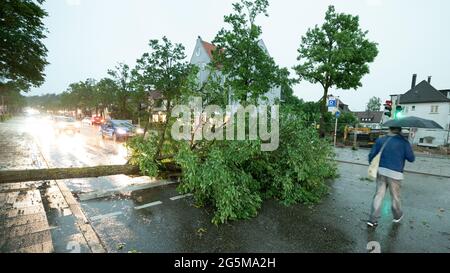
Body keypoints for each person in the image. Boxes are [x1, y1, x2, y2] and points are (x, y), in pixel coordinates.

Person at [367, 127, 415, 228]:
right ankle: (397, 216)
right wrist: (408, 146)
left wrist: (372, 164)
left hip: (381, 171)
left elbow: (372, 155)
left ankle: (372, 220)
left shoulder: (381, 140)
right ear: (400, 130)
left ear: (389, 128)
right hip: (395, 174)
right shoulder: (404, 142)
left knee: (378, 195)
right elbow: (411, 158)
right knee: (395, 197)